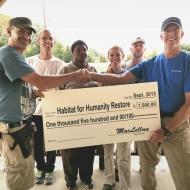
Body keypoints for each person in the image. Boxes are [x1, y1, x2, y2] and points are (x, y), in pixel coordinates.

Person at [85, 17, 190, 190]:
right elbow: (120, 78)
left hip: (176, 126)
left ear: (182, 34)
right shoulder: (150, 64)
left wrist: (167, 130)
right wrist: (90, 76)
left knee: (183, 173)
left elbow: (189, 104)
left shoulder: (187, 62)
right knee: (147, 166)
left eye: (175, 30)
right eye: (167, 30)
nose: (171, 34)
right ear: (161, 36)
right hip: (149, 120)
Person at [0, 17, 88, 190]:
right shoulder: (7, 53)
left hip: (22, 127)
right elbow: (41, 81)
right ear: (9, 31)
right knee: (18, 176)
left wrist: (33, 93)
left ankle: (46, 170)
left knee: (25, 174)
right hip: (13, 130)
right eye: (21, 32)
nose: (26, 36)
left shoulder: (19, 57)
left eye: (28, 33)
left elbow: (21, 86)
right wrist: (74, 75)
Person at [57, 40, 98, 190]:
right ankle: (70, 179)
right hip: (69, 118)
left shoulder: (93, 69)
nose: (82, 52)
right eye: (78, 50)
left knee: (88, 150)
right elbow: (57, 92)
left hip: (90, 118)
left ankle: (87, 177)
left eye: (84, 50)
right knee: (69, 151)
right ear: (73, 53)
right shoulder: (64, 69)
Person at [26, 29, 65, 185]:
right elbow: (24, 85)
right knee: (36, 143)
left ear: (54, 42)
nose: (48, 41)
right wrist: (35, 92)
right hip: (34, 111)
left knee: (52, 143)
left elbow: (62, 87)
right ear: (38, 41)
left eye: (51, 39)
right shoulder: (29, 62)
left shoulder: (60, 64)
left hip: (52, 111)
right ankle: (40, 168)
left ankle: (50, 169)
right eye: (44, 38)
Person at [98, 46, 131, 190]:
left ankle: (125, 185)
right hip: (107, 120)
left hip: (124, 120)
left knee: (124, 154)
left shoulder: (129, 75)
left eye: (118, 55)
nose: (115, 57)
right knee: (108, 152)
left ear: (123, 56)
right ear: (108, 57)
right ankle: (109, 180)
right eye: (111, 55)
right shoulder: (101, 75)